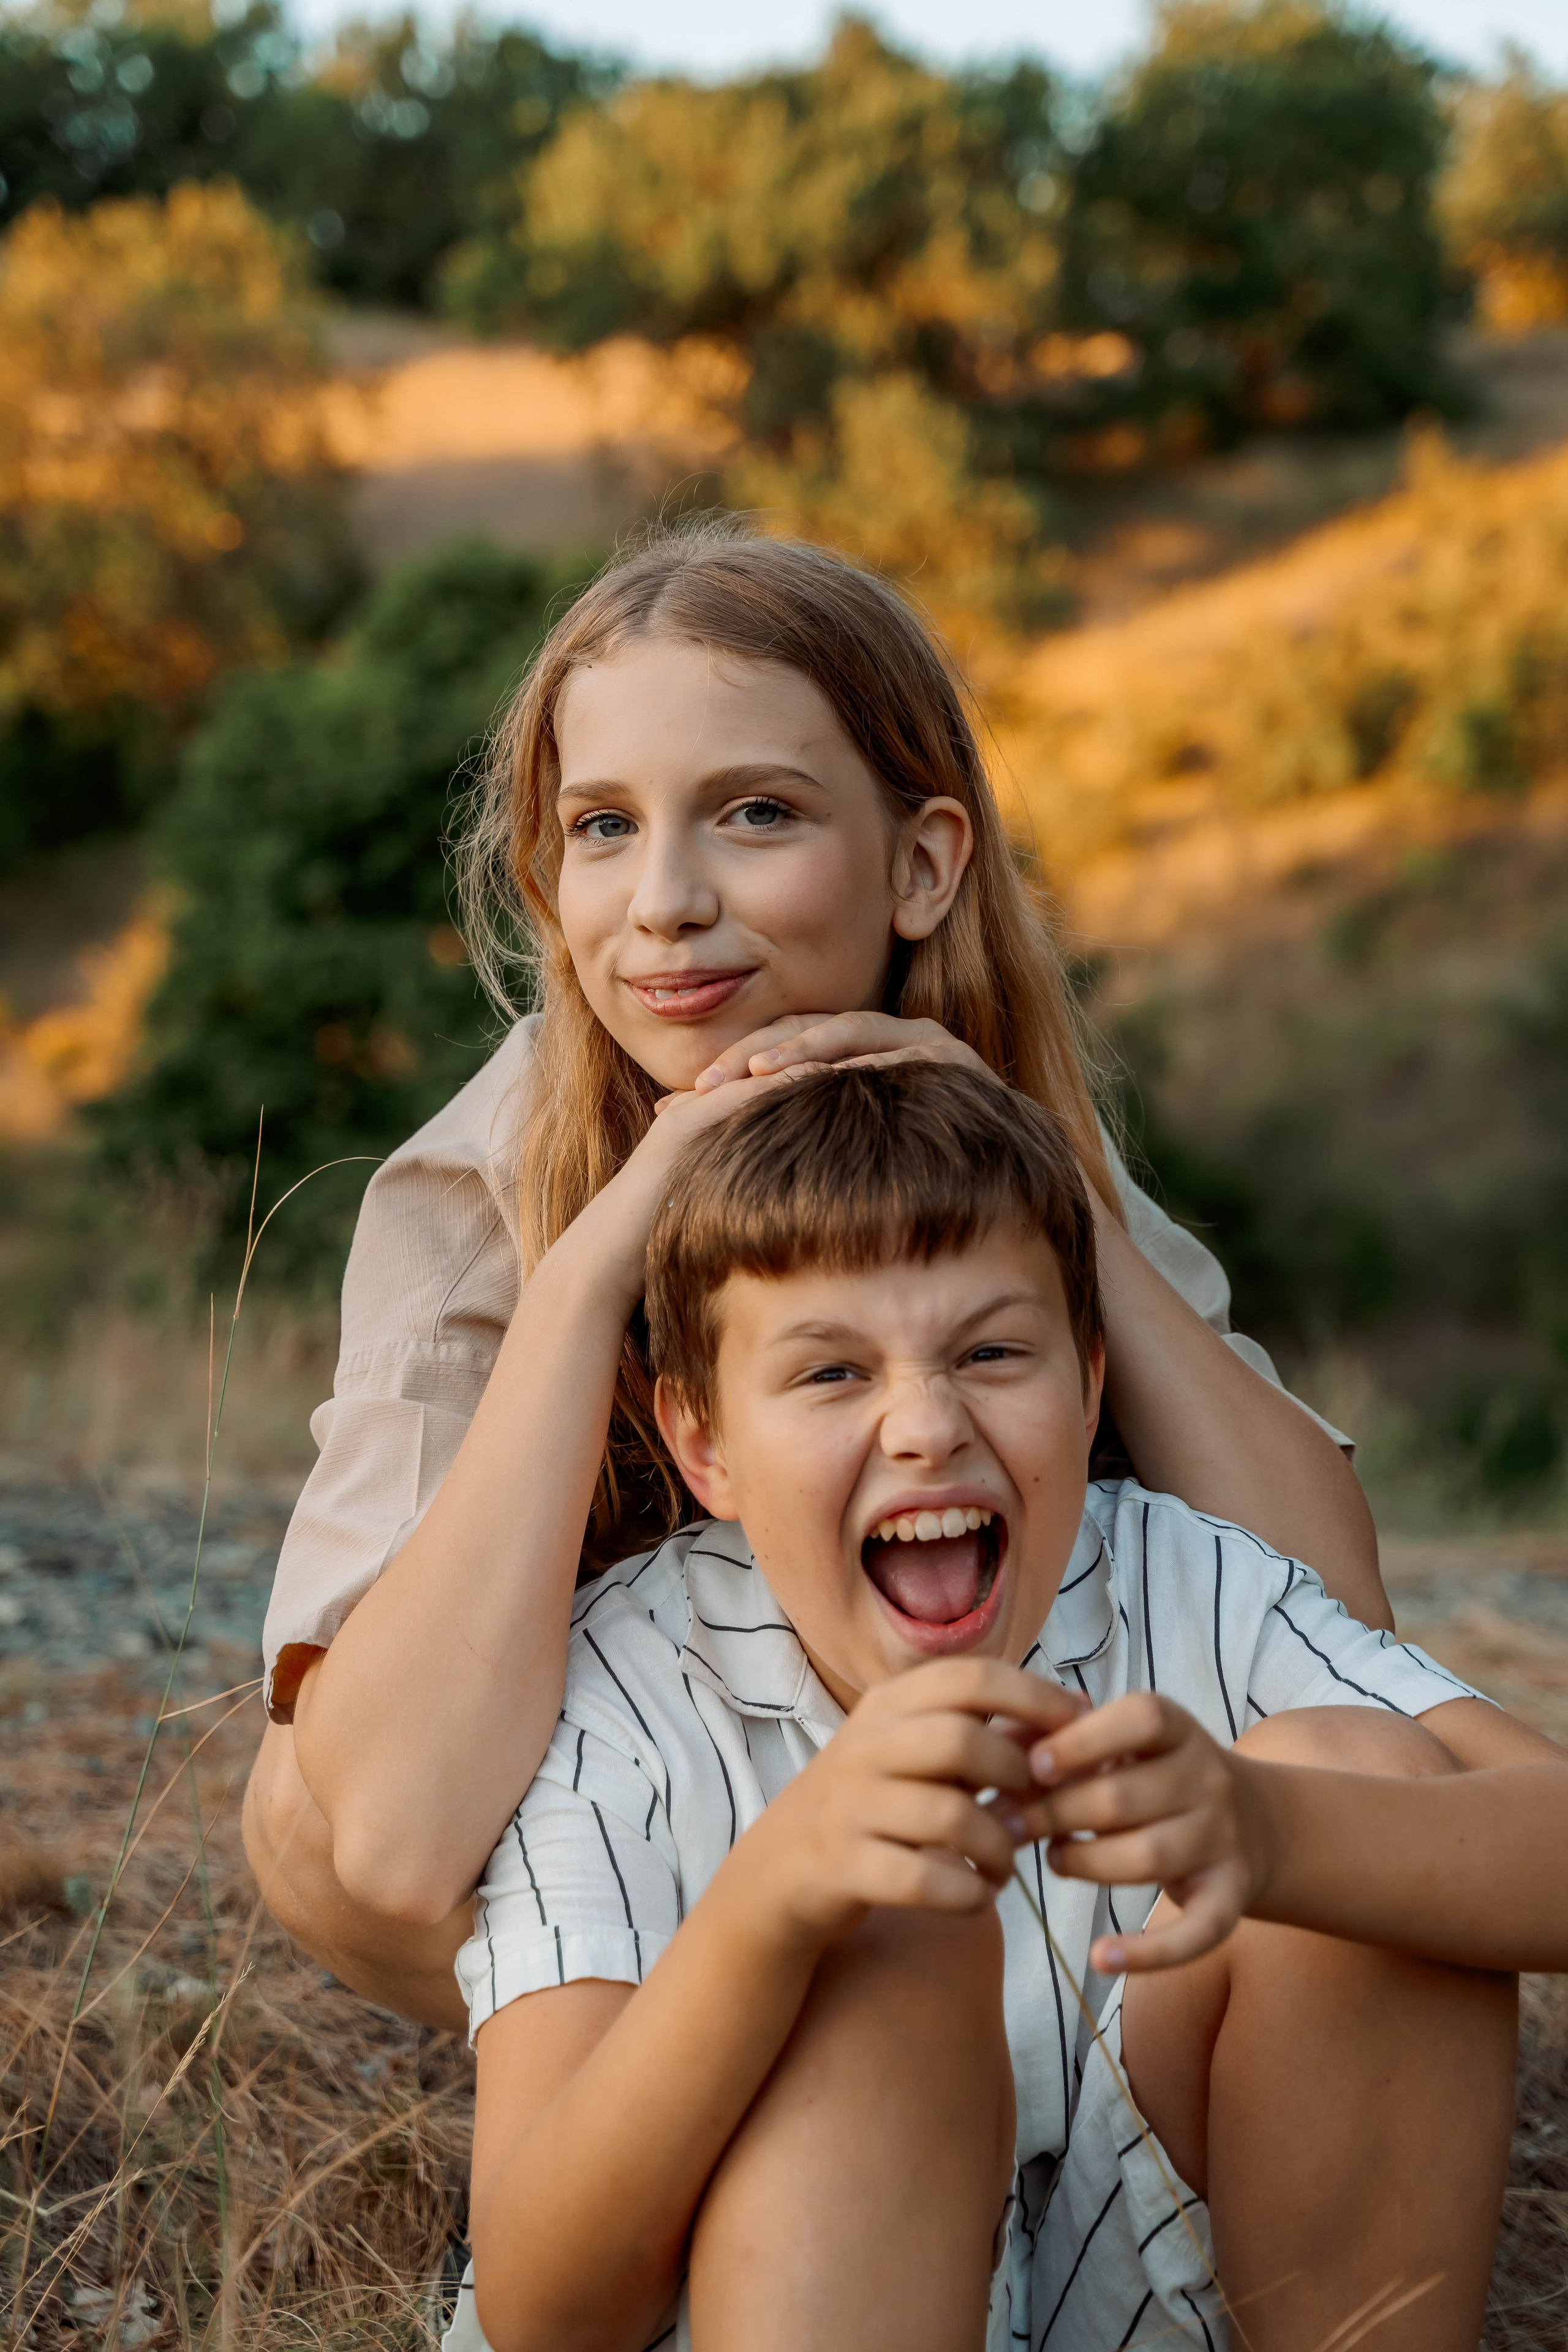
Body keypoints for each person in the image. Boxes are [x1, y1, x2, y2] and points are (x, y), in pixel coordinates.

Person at [244, 520, 1389, 2034]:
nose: (661, 901)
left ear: (919, 865)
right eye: (602, 828)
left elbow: (1339, 1633)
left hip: (1018, 1829)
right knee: (298, 1790)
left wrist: (1060, 1191)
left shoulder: (1004, 1116)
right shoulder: (484, 1186)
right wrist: (602, 1254)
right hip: (669, 1884)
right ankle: (686, 2119)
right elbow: (386, 1841)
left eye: (755, 814)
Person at [458, 1061, 1564, 2352]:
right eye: (829, 1375)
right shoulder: (620, 1690)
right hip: (799, 2296)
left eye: (990, 1352)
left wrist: (1268, 1832)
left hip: (1165, 2286)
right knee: (885, 1916)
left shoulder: (1180, 1577)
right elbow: (539, 2310)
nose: (925, 1426)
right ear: (703, 1445)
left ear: (1090, 1387)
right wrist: (768, 1915)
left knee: (1358, 1776)